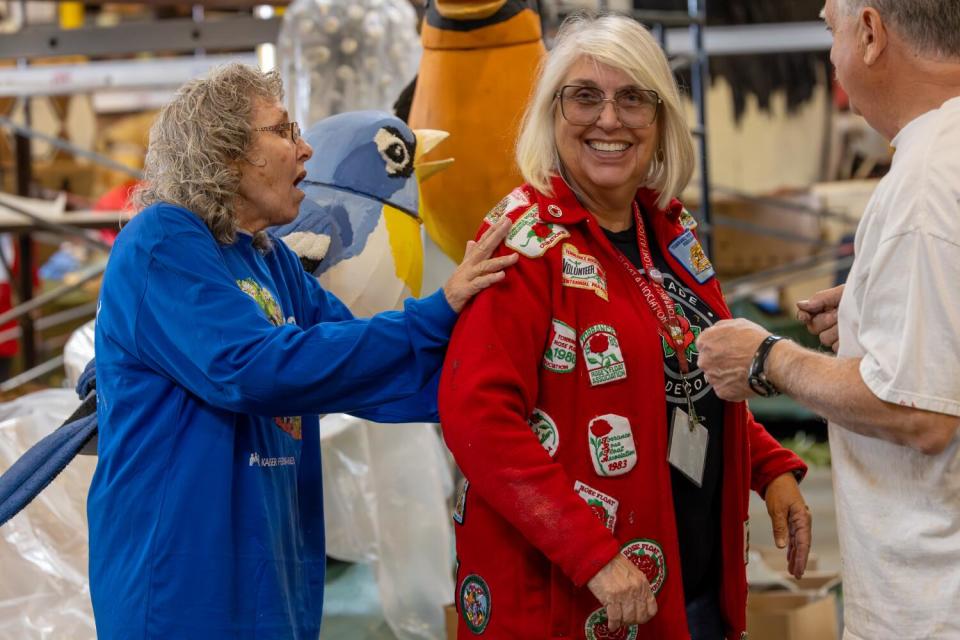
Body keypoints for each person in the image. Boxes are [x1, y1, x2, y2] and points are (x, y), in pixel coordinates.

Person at [87, 63, 518, 639]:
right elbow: (250, 367)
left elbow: (366, 369)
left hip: (272, 583)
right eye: (285, 131)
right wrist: (436, 311)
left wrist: (515, 375)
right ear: (226, 151)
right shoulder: (163, 240)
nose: (307, 149)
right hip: (182, 592)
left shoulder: (272, 260)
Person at [438, 13, 811, 640]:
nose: (608, 119)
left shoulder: (667, 230)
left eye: (632, 98)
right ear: (551, 115)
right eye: (584, 96)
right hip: (577, 603)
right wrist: (595, 555)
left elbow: (685, 380)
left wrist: (767, 467)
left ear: (660, 120)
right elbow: (478, 418)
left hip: (689, 590)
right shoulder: (523, 241)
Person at [696, 1, 960, 637]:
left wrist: (770, 359)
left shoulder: (927, 182)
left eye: (831, 31)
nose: (831, 56)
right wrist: (882, 306)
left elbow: (923, 414)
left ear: (870, 33)